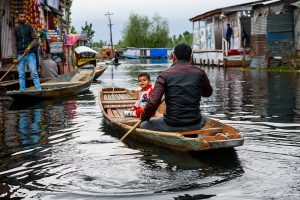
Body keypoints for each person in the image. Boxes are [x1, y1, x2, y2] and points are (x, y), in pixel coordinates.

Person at [140, 43, 213, 132]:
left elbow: (153, 103)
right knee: (204, 118)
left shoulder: (164, 74)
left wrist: (144, 117)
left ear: (174, 57)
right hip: (195, 123)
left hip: (172, 124)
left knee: (143, 125)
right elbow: (207, 93)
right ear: (190, 57)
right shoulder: (200, 73)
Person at [11, 12, 42, 91]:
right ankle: (22, 91)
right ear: (18, 18)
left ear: (26, 18)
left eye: (24, 17)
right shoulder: (15, 29)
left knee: (34, 73)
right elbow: (13, 44)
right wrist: (14, 57)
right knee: (21, 75)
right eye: (21, 17)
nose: (22, 18)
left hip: (30, 54)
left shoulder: (30, 27)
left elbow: (36, 39)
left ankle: (39, 90)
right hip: (19, 55)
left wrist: (29, 47)